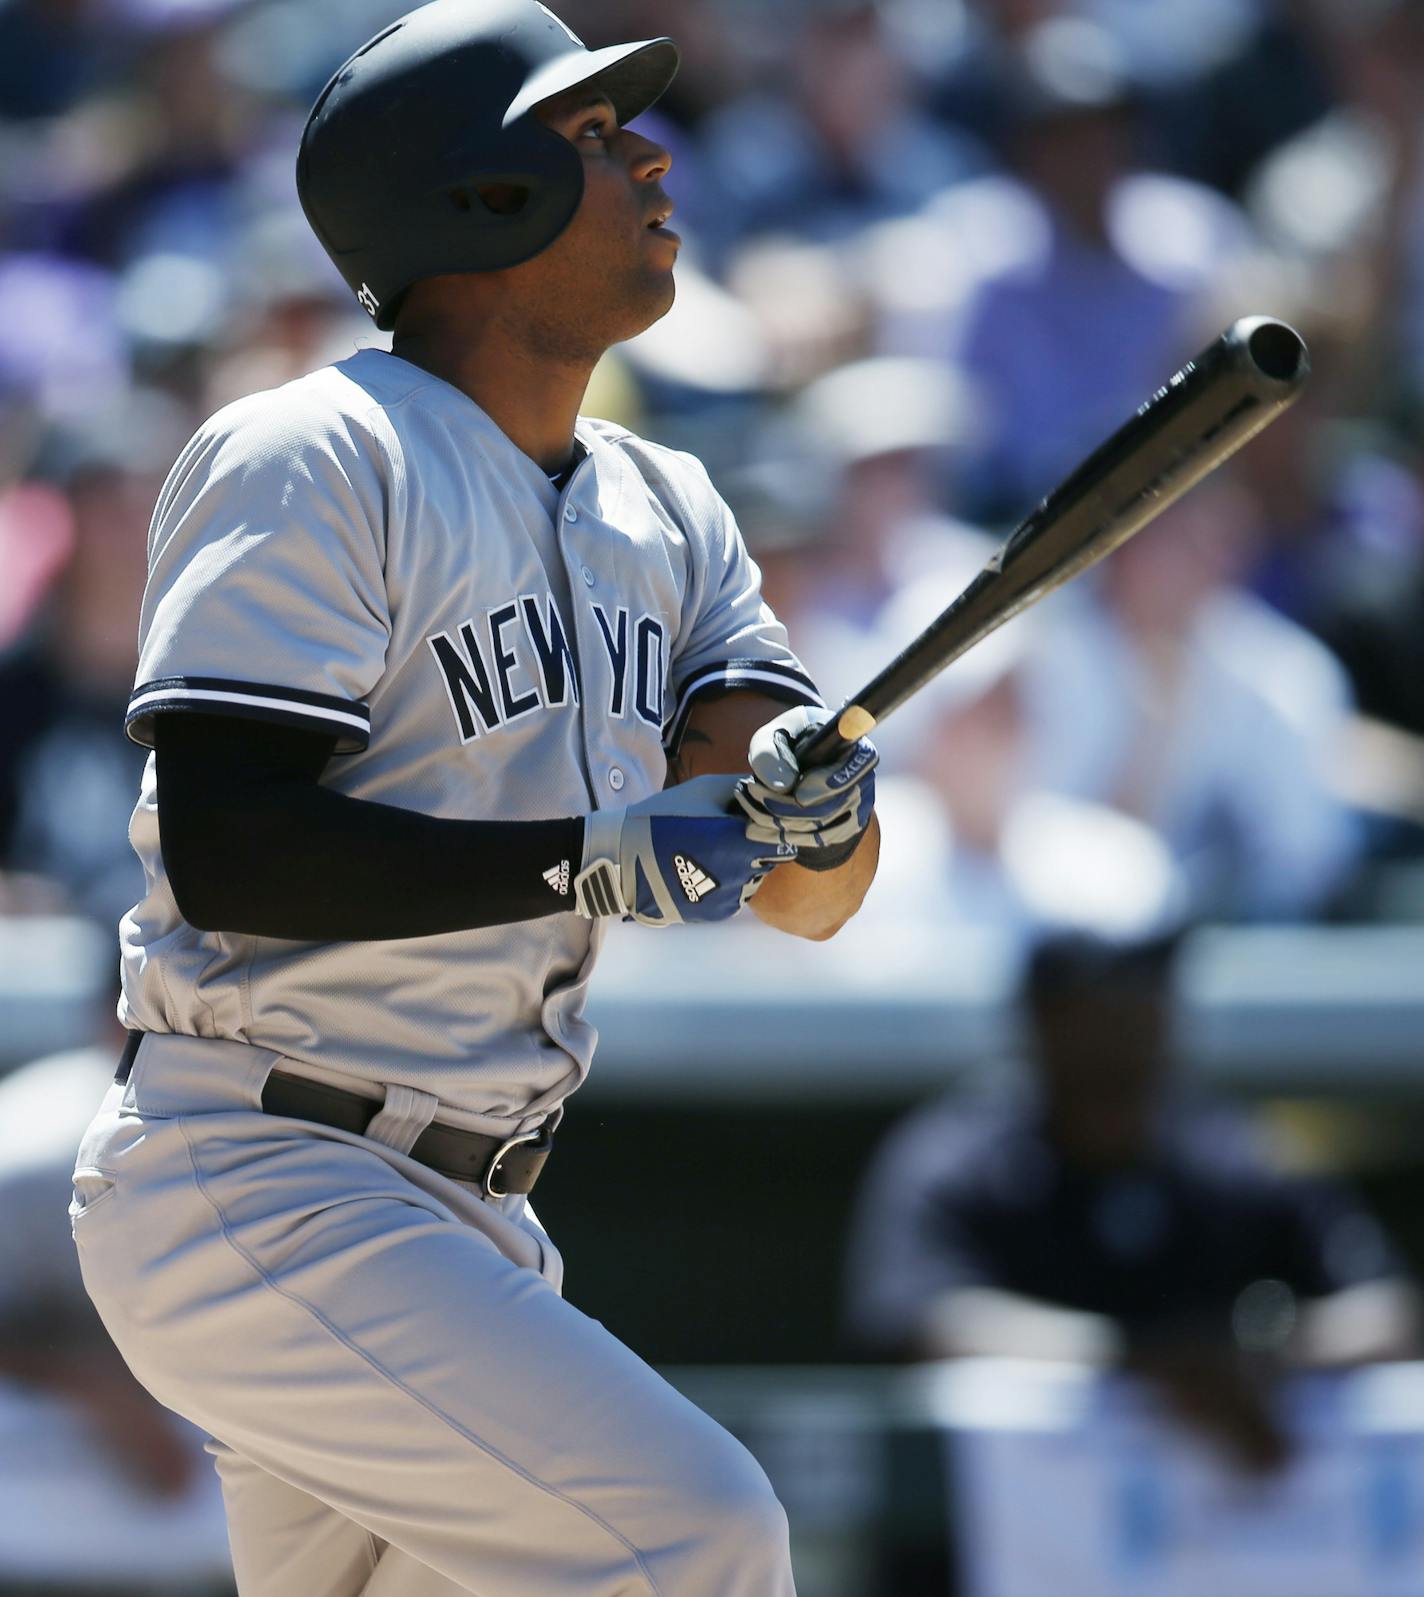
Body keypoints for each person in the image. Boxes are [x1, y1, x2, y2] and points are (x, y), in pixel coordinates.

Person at [69, 5, 880, 1596]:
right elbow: (234, 848)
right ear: (478, 195)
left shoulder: (673, 502)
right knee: (700, 1533)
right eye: (588, 138)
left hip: (473, 1210)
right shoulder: (315, 451)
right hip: (263, 1167)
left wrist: (812, 813)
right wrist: (593, 862)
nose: (652, 156)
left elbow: (805, 891)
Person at [843, 931, 1419, 1474]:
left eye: (1143, 999)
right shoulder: (954, 1155)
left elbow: (1389, 1312)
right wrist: (1140, 1364)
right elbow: (922, 1330)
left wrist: (1268, 1357)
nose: (1120, 1038)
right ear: (1041, 1021)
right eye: (1095, 1007)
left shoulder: (1234, 1152)